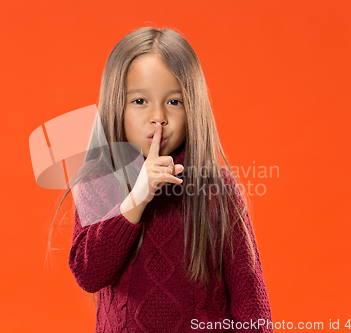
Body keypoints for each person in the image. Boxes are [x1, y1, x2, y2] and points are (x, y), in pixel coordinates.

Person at [49, 26, 273, 332]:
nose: (159, 117)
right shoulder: (98, 181)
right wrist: (136, 198)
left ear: (193, 107)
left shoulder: (217, 189)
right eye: (140, 101)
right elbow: (89, 274)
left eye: (174, 102)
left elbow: (250, 298)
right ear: (117, 106)